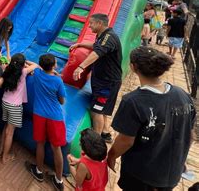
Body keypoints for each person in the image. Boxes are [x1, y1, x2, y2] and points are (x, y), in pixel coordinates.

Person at [107, 46, 196, 190]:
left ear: (133, 67)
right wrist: (180, 157)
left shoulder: (133, 102)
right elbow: (190, 135)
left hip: (141, 175)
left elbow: (126, 141)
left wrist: (111, 156)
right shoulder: (183, 95)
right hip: (171, 174)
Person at [69, 13, 122, 143]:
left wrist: (81, 67)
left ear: (99, 23)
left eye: (91, 23)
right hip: (104, 80)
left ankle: (96, 140)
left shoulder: (109, 37)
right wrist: (80, 44)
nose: (90, 26)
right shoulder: (103, 36)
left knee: (97, 109)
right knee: (103, 109)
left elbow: (97, 52)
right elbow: (96, 46)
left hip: (107, 82)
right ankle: (105, 133)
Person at [25, 54, 66, 190]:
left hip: (39, 114)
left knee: (40, 144)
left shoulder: (37, 73)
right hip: (55, 117)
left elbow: (34, 66)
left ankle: (39, 171)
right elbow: (62, 101)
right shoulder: (58, 81)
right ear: (54, 65)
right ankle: (59, 180)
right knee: (57, 148)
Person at [0, 54, 38, 164]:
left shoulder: (8, 69)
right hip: (15, 106)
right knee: (10, 132)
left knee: (6, 127)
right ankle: (5, 157)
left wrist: (22, 63)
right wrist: (27, 63)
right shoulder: (23, 72)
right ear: (22, 65)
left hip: (5, 101)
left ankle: (1, 150)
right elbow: (35, 65)